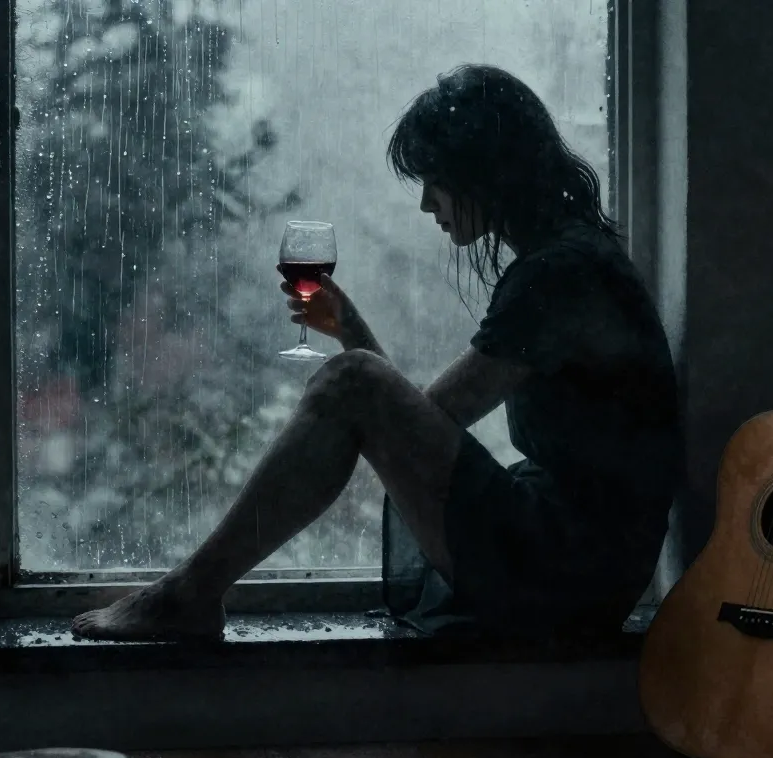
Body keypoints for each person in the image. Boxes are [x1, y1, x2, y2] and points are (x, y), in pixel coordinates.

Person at [71, 64, 683, 641]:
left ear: (484, 171)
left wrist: (354, 345)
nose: (426, 204)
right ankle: (191, 589)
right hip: (586, 568)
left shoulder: (561, 274)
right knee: (355, 380)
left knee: (351, 380)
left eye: (435, 181)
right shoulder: (571, 260)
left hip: (571, 573)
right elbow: (414, 425)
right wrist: (351, 332)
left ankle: (190, 591)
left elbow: (422, 416)